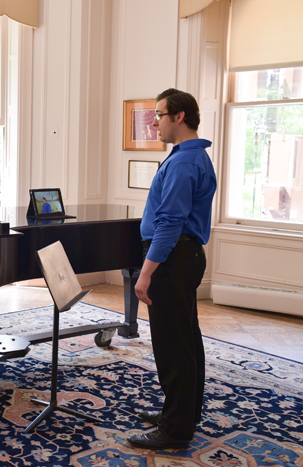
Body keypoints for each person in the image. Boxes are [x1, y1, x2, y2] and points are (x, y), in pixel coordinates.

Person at [128, 89, 217, 450]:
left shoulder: (182, 163)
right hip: (184, 257)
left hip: (173, 259)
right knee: (187, 339)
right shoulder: (193, 156)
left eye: (159, 114)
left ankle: (176, 429)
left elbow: (169, 224)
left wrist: (146, 272)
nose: (154, 121)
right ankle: (183, 413)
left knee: (173, 345)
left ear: (179, 117)